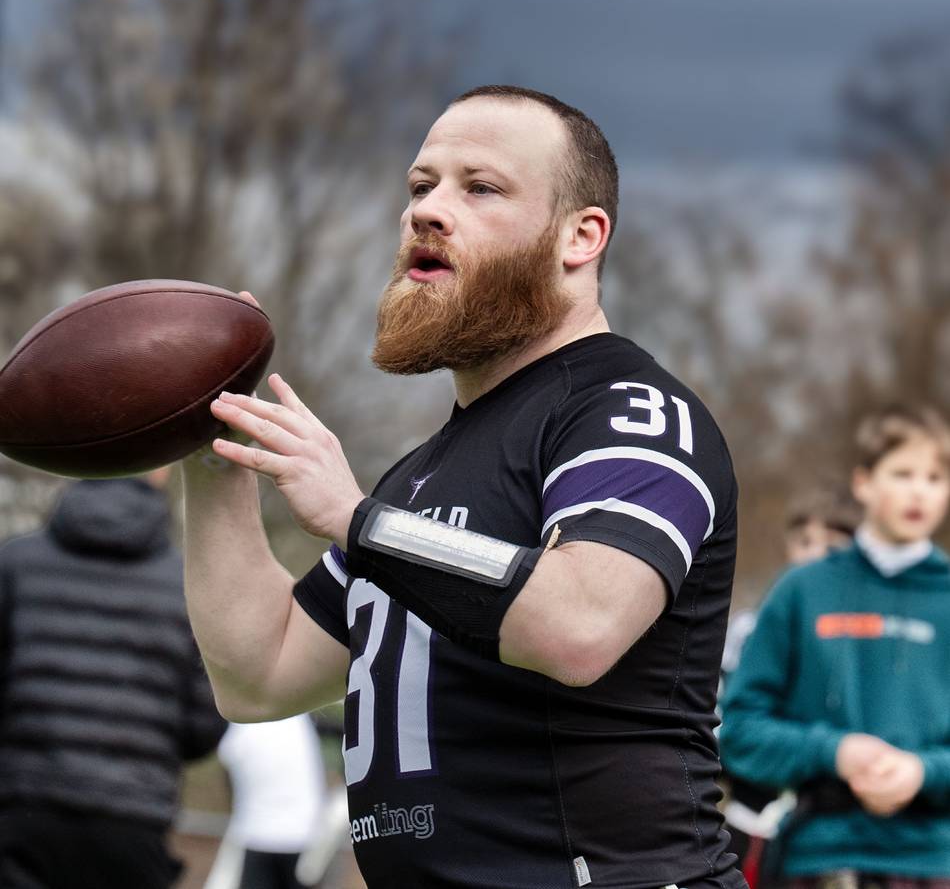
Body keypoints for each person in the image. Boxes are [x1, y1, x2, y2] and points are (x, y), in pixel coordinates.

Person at [182, 85, 744, 889]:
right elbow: (257, 673)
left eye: (480, 188)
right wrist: (210, 456)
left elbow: (580, 624)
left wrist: (354, 519)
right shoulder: (416, 478)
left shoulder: (628, 410)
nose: (429, 211)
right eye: (420, 186)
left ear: (579, 237)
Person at [720, 405, 950, 888]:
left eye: (934, 477)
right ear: (864, 483)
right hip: (817, 858)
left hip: (933, 861)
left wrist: (922, 772)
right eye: (902, 473)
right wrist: (835, 751)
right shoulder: (801, 592)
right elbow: (739, 733)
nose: (918, 491)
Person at [0, 469, 227, 889]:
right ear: (160, 471)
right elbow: (208, 721)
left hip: (23, 808)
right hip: (133, 818)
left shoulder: (14, 561)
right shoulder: (188, 582)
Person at [720, 484, 861, 887]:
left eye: (834, 547)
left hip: (837, 828)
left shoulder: (871, 637)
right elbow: (723, 722)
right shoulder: (750, 630)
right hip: (753, 818)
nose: (815, 555)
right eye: (805, 542)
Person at [215, 714, 331, 889]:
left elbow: (227, 780)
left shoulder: (237, 724)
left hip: (259, 836)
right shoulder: (299, 716)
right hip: (304, 834)